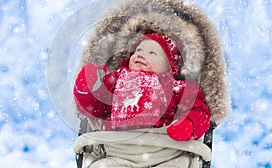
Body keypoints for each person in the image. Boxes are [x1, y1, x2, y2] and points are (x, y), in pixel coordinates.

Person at [73, 33, 210, 141]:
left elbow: (199, 112)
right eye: (138, 50)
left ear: (170, 66)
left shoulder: (177, 88)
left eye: (152, 53)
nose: (141, 54)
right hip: (117, 145)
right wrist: (88, 87)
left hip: (160, 146)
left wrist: (188, 126)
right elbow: (95, 108)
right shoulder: (116, 79)